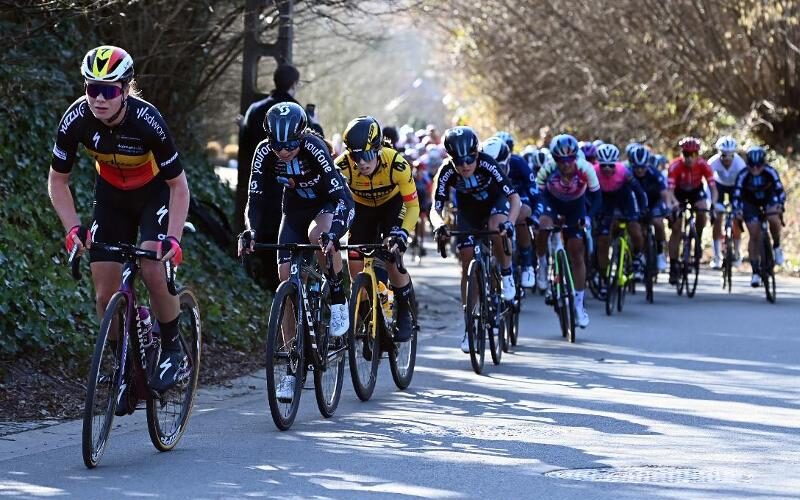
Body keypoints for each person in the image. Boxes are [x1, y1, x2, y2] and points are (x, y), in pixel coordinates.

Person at [48, 46, 191, 413]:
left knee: (153, 268)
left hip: (153, 195)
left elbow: (178, 186)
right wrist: (73, 227)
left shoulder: (148, 121)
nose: (99, 98)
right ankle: (122, 365)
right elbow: (58, 181)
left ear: (126, 90)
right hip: (111, 198)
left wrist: (173, 238)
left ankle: (173, 350)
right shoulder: (76, 119)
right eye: (92, 88)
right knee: (103, 294)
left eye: (109, 90)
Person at [238, 102, 354, 400]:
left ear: (301, 136)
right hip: (295, 210)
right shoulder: (264, 152)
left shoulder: (314, 147)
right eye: (277, 145)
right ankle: (292, 368)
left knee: (318, 236)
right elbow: (255, 198)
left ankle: (337, 296)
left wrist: (334, 233)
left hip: (328, 204)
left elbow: (340, 196)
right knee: (285, 279)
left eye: (290, 145)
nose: (283, 151)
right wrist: (250, 230)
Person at [431, 126, 521, 353]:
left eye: (470, 159)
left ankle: (507, 273)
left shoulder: (488, 163)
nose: (465, 166)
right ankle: (469, 326)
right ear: (450, 159)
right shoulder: (446, 171)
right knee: (466, 261)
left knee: (497, 226)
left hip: (495, 204)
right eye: (458, 161)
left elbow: (515, 199)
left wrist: (510, 223)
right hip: (468, 212)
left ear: (477, 153)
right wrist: (439, 224)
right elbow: (435, 208)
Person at [335, 116, 419, 341]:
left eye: (368, 155)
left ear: (379, 149)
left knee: (392, 256)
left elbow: (413, 206)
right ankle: (366, 315)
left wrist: (403, 233)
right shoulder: (342, 166)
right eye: (356, 156)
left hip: (393, 207)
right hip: (362, 210)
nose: (362, 163)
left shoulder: (397, 163)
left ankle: (404, 312)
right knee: (355, 263)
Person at [238, 64, 320, 291]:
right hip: (293, 193)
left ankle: (271, 294)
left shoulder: (255, 109)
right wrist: (316, 123)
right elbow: (317, 146)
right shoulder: (298, 112)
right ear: (294, 84)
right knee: (294, 256)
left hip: (263, 193)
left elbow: (244, 147)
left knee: (269, 255)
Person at [534, 134, 601, 328]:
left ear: (576, 157)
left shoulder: (585, 168)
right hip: (551, 203)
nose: (565, 164)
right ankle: (542, 264)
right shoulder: (548, 169)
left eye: (570, 159)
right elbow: (537, 194)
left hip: (575, 206)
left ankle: (579, 305)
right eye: (560, 160)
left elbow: (597, 197)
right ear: (554, 159)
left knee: (577, 252)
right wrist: (538, 215)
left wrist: (588, 218)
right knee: (543, 226)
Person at [593, 143, 647, 287]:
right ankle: (603, 275)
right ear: (598, 164)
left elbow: (639, 192)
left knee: (635, 228)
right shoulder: (593, 172)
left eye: (611, 165)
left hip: (624, 200)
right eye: (603, 166)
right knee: (603, 239)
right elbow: (586, 194)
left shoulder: (624, 171)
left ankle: (637, 257)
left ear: (616, 164)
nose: (607, 169)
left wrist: (643, 209)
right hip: (604, 201)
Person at [732, 146, 786, 286]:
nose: (755, 169)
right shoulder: (743, 175)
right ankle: (755, 271)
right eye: (752, 166)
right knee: (754, 234)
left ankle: (777, 246)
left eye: (758, 166)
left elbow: (780, 190)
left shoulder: (770, 171)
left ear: (764, 163)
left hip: (768, 200)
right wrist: (737, 210)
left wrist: (780, 204)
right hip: (750, 203)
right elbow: (736, 195)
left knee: (773, 217)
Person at [666, 137, 718, 285]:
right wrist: (674, 204)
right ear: (682, 154)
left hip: (695, 191)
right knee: (676, 228)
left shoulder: (703, 165)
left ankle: (698, 238)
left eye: (693, 154)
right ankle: (673, 266)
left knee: (702, 209)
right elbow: (669, 192)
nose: (689, 158)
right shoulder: (675, 166)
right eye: (686, 154)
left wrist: (713, 204)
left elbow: (713, 188)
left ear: (697, 154)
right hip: (679, 193)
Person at [630, 146, 671, 272]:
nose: (640, 170)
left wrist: (668, 207)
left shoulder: (655, 173)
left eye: (643, 167)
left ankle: (660, 253)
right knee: (639, 230)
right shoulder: (628, 174)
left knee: (658, 222)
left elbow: (664, 193)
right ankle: (640, 254)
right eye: (637, 167)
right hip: (637, 203)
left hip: (654, 201)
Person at [709, 136, 747, 268]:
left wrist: (739, 206)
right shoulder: (712, 162)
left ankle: (736, 251)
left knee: (737, 218)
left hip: (735, 187)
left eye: (730, 155)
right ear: (719, 153)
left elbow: (744, 186)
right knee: (717, 218)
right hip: (718, 186)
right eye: (724, 155)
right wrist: (712, 204)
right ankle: (716, 256)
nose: (727, 159)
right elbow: (707, 184)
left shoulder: (740, 164)